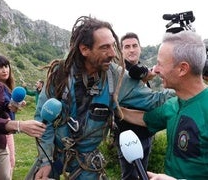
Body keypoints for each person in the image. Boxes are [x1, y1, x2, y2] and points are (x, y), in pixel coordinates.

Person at [27, 16, 175, 180]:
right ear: (85, 49)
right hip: (54, 154)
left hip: (87, 161)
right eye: (105, 47)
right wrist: (45, 159)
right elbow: (43, 121)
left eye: (113, 45)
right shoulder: (60, 75)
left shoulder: (117, 78)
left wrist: (192, 89)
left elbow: (154, 100)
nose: (113, 53)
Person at [121, 30, 208, 180]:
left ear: (182, 69)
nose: (156, 70)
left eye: (160, 64)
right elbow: (145, 119)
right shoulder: (173, 105)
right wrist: (115, 108)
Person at [117, 32, 157, 180]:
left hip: (146, 134)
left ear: (140, 48)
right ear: (121, 51)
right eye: (127, 47)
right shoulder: (122, 72)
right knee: (130, 177)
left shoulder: (142, 72)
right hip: (128, 138)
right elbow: (135, 72)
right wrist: (149, 73)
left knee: (142, 173)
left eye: (134, 46)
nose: (131, 50)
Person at [0, 54, 17, 178]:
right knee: (9, 161)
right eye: (0, 67)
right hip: (2, 129)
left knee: (9, 161)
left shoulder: (6, 87)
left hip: (7, 128)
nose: (4, 70)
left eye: (6, 66)